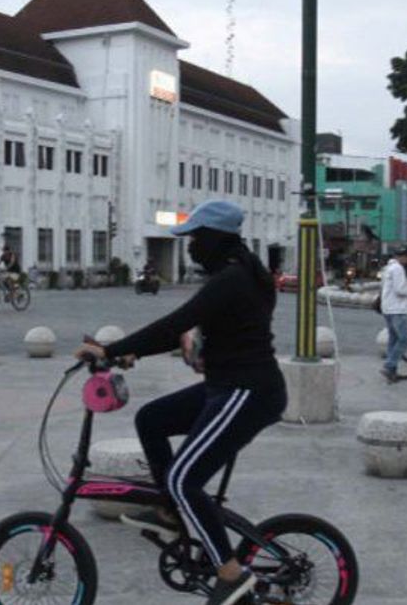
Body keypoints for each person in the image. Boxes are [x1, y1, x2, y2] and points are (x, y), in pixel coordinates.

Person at [73, 200, 286, 605]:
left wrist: (108, 349)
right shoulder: (237, 274)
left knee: (182, 477)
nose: (190, 248)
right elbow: (183, 333)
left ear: (213, 239)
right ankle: (171, 512)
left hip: (248, 391)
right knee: (152, 419)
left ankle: (230, 574)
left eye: (194, 239)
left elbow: (175, 323)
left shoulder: (233, 279)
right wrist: (127, 352)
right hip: (227, 385)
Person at [379, 247, 407, 384]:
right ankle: (389, 365)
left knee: (393, 340)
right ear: (405, 257)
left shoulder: (387, 268)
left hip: (388, 308)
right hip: (398, 309)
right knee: (404, 339)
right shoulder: (398, 269)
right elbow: (400, 290)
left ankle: (392, 372)